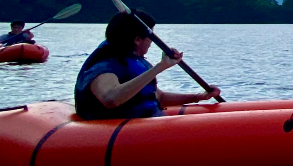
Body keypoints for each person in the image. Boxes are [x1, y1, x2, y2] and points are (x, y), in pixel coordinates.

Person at [74, 10, 221, 120]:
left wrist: (198, 97)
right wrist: (160, 67)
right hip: (125, 132)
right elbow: (111, 98)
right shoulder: (104, 64)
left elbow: (158, 96)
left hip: (147, 121)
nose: (152, 42)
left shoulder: (136, 60)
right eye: (151, 37)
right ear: (137, 39)